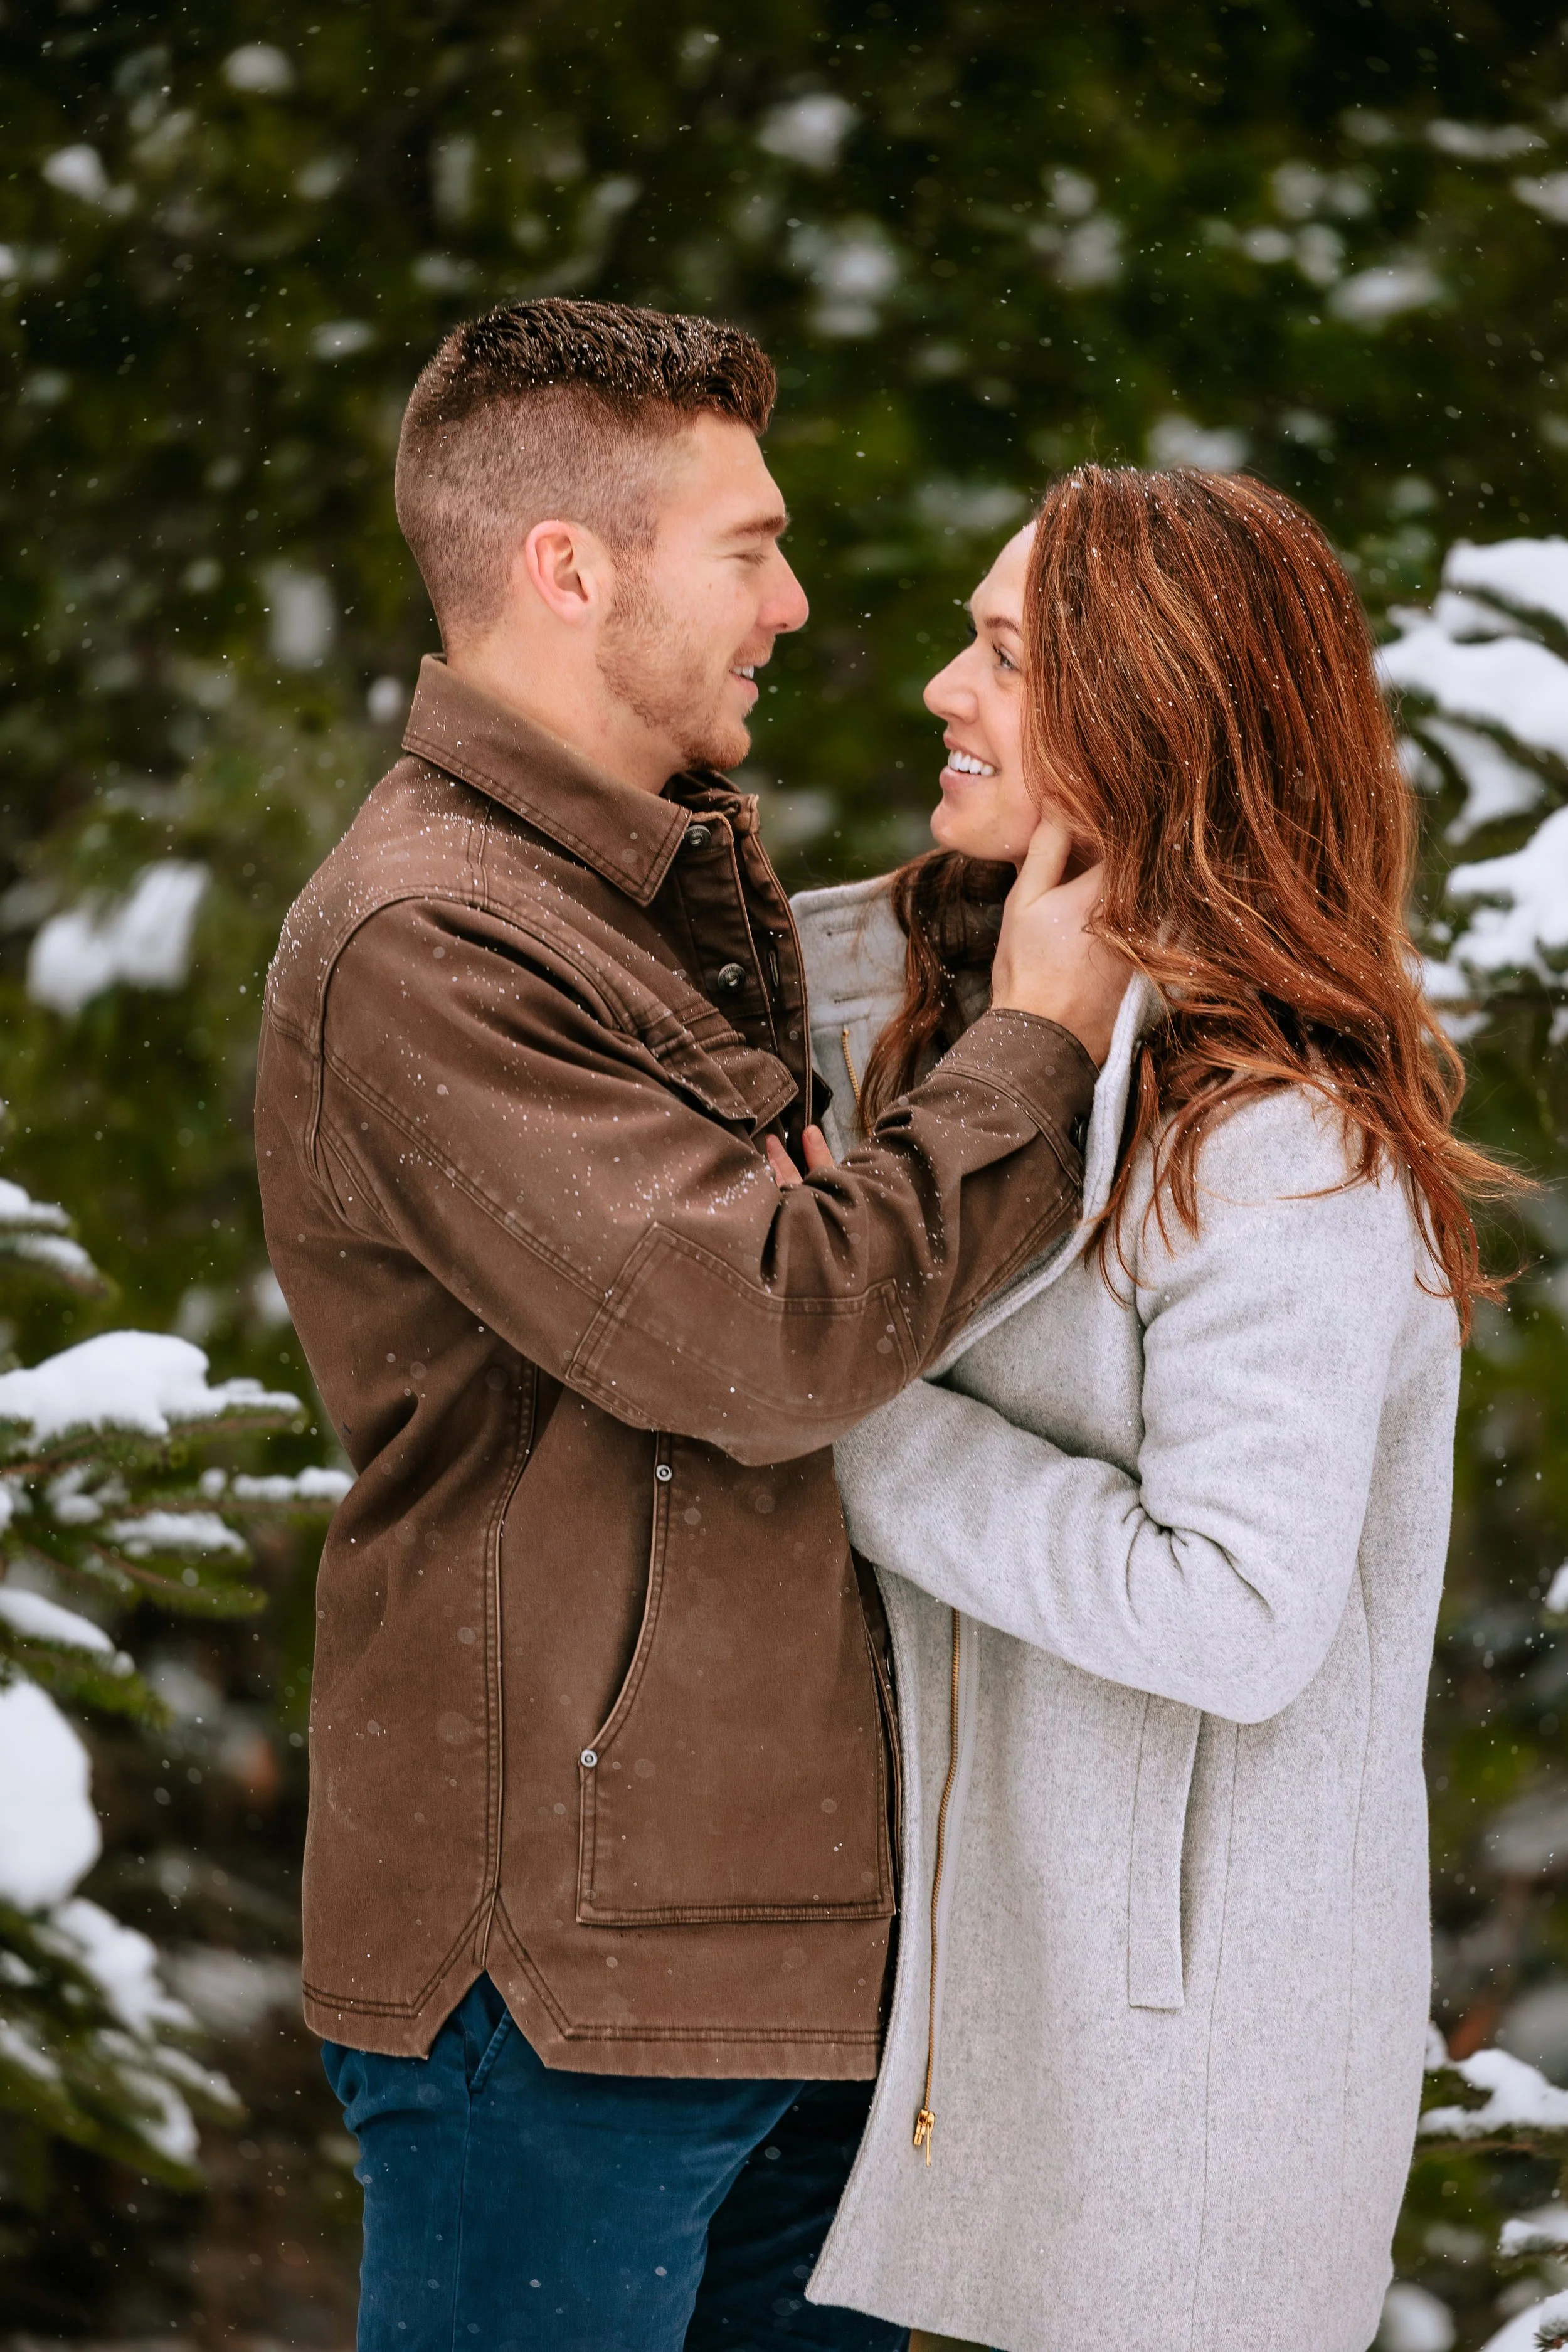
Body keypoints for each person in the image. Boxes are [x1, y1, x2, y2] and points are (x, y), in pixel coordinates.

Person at [253, 300, 1126, 2352]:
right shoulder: (430, 933)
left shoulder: (644, 888)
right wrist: (1032, 1044)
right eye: (746, 545)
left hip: (782, 1952)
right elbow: (763, 1339)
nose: (793, 602)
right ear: (572, 566)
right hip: (554, 1981)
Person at [783, 467, 1511, 2352]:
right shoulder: (1023, 1040)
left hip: (1191, 2109)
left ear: (1152, 722)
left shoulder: (1280, 1148)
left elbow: (1234, 1608)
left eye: (1007, 658)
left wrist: (837, 1417)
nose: (945, 689)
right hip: (1005, 2046)